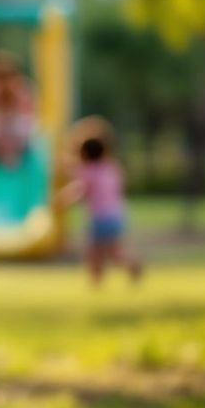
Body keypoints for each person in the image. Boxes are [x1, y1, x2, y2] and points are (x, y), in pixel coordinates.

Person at [61, 116, 143, 287]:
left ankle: (97, 281)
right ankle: (130, 264)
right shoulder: (112, 168)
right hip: (117, 215)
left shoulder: (88, 171)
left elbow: (79, 190)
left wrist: (63, 200)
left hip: (99, 218)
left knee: (94, 253)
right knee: (113, 252)